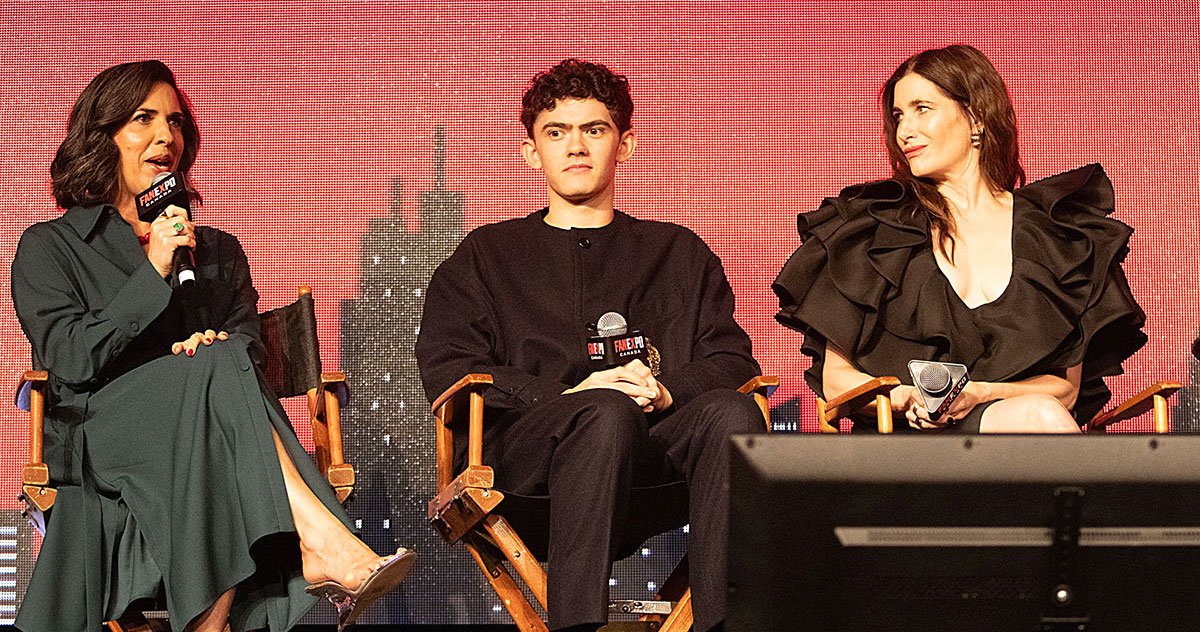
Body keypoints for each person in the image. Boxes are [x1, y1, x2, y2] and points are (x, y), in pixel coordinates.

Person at [11, 60, 413, 632]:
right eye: (143, 120)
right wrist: (152, 272)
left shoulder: (216, 250)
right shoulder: (51, 247)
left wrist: (214, 349)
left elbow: (248, 349)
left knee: (220, 362)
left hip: (209, 438)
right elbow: (72, 360)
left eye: (174, 123)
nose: (164, 137)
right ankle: (325, 543)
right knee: (215, 372)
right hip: (102, 439)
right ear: (102, 137)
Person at [415, 58, 763, 632]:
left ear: (624, 145)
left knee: (732, 409)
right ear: (532, 152)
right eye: (557, 132)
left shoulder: (677, 253)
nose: (575, 146)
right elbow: (450, 366)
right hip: (528, 473)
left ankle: (722, 624)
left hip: (652, 465)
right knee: (601, 410)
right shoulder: (486, 255)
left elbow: (731, 360)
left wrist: (664, 392)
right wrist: (569, 395)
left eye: (594, 130)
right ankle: (576, 626)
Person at [774, 44, 1146, 433]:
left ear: (976, 117)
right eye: (898, 116)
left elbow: (1063, 391)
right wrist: (906, 398)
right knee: (1041, 419)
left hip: (1017, 428)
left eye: (922, 109)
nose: (904, 131)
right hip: (905, 443)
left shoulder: (1059, 236)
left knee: (1042, 415)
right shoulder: (873, 230)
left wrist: (977, 394)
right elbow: (836, 380)